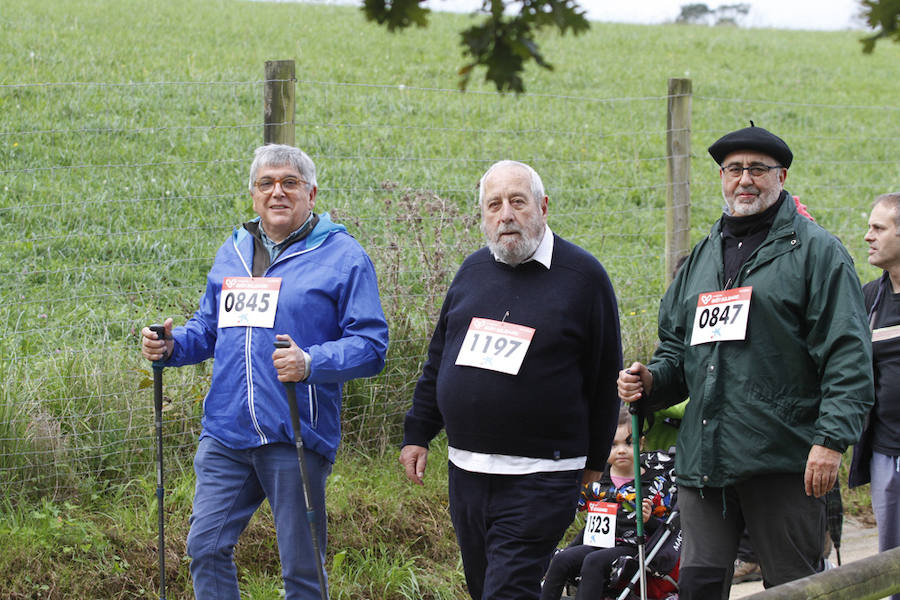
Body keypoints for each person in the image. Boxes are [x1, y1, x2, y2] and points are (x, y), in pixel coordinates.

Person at [616, 123, 874, 599]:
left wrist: (831, 441)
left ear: (782, 176)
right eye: (734, 169)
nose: (745, 180)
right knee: (696, 585)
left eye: (758, 169)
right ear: (721, 176)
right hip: (705, 463)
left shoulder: (818, 253)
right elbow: (677, 355)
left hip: (784, 461)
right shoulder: (701, 259)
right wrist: (650, 382)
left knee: (794, 589)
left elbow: (847, 357)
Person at [140, 144, 389, 600]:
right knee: (205, 548)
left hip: (294, 433)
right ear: (254, 195)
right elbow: (209, 329)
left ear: (311, 194)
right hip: (226, 434)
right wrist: (172, 346)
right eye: (266, 183)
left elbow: (371, 345)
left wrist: (311, 362)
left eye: (290, 183)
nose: (278, 192)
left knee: (302, 570)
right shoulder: (233, 251)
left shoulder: (344, 257)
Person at [399, 160, 623, 600]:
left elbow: (603, 376)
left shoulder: (583, 278)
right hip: (467, 470)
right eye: (494, 205)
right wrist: (418, 432)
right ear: (482, 216)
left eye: (517, 202)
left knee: (509, 590)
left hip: (542, 474)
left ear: (542, 207)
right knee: (485, 587)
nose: (506, 215)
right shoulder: (472, 272)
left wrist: (594, 461)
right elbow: (440, 356)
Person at [539, 408, 677, 600]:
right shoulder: (596, 480)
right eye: (613, 445)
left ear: (642, 443)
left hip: (633, 547)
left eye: (629, 443)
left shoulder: (655, 484)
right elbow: (571, 505)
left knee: (593, 561)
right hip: (597, 542)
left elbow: (668, 530)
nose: (621, 450)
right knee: (562, 559)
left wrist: (648, 519)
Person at [850, 192, 900, 600]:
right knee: (891, 562)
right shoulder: (870, 298)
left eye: (879, 228)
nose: (868, 236)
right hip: (885, 451)